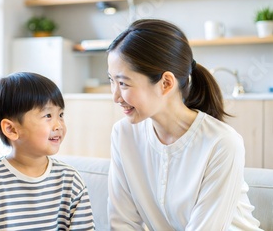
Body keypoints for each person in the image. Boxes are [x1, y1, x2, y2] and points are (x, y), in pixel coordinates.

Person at [106, 18, 262, 230]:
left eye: (123, 83)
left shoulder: (222, 143)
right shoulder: (124, 134)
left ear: (166, 83)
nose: (115, 96)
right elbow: (122, 222)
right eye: (111, 81)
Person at [0, 72, 95, 230]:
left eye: (60, 115)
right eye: (48, 115)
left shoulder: (70, 180)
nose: (59, 125)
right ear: (11, 129)